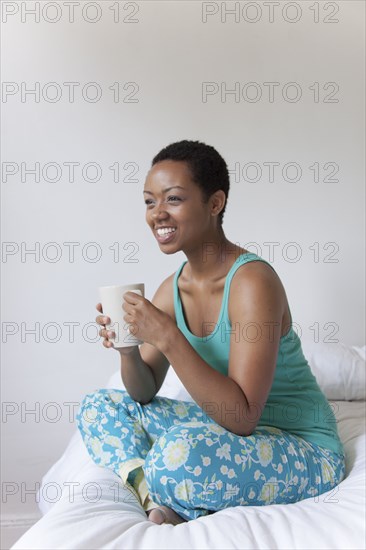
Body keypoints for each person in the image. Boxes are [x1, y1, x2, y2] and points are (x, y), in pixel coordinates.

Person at [77, 140, 345, 526]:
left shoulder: (252, 282)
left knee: (178, 453)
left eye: (173, 199)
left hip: (300, 445)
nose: (157, 214)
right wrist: (128, 348)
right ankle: (157, 496)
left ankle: (170, 491)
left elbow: (243, 418)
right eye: (149, 202)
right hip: (227, 434)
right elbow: (144, 391)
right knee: (101, 407)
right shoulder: (171, 288)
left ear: (215, 203)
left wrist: (168, 335)